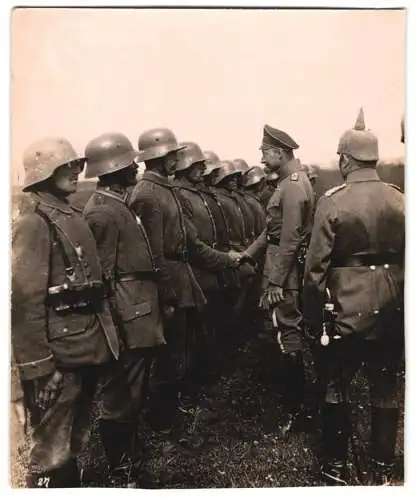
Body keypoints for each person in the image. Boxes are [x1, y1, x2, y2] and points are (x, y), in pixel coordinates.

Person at [302, 108, 405, 486]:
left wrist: (313, 319)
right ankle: (382, 466)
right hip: (393, 307)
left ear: (346, 160)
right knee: (385, 385)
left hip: (343, 310)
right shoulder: (400, 199)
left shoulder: (332, 200)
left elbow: (315, 271)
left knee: (335, 384)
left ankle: (335, 465)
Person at [11, 137, 120, 488]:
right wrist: (40, 368)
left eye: (76, 165)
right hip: (58, 356)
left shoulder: (67, 213)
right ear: (46, 173)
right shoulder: (35, 222)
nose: (77, 172)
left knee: (76, 435)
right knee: (50, 447)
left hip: (83, 346)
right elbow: (25, 300)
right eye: (67, 167)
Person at [129, 128, 239, 430]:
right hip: (167, 282)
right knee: (168, 358)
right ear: (161, 158)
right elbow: (152, 254)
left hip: (180, 276)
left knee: (182, 352)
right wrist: (166, 295)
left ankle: (174, 412)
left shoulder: (163, 190)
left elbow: (187, 240)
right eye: (172, 155)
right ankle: (162, 422)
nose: (176, 160)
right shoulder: (148, 194)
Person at [82, 133, 165, 486]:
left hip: (139, 312)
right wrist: (114, 329)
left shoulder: (117, 202)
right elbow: (102, 278)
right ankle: (121, 471)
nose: (137, 166)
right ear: (115, 168)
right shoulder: (102, 211)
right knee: (121, 395)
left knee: (134, 391)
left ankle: (130, 460)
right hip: (127, 316)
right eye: (130, 162)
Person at [239, 124, 315, 426]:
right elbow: (271, 232)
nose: (261, 158)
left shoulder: (293, 185)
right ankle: (295, 404)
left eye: (265, 152)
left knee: (288, 333)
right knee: (285, 332)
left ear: (280, 153)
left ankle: (297, 410)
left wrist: (276, 281)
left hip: (284, 275)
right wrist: (248, 254)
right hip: (279, 268)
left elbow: (290, 238)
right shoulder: (287, 183)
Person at [173, 142, 225, 381]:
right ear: (186, 166)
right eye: (198, 165)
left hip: (208, 271)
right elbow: (192, 243)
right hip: (196, 273)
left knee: (209, 328)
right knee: (195, 334)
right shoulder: (181, 196)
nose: (203, 169)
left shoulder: (195, 194)